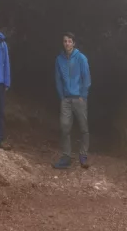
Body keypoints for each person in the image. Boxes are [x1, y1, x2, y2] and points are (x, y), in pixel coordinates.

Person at [52, 32, 91, 169]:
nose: (67, 43)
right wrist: (62, 96)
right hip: (66, 99)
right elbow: (58, 79)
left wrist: (83, 95)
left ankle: (83, 155)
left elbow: (86, 78)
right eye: (65, 41)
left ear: (73, 43)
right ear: (63, 43)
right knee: (64, 128)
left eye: (69, 41)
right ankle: (66, 156)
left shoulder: (81, 58)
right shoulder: (59, 59)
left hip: (79, 98)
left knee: (83, 128)